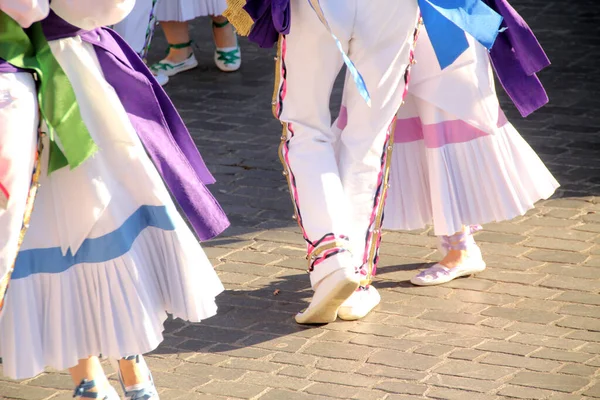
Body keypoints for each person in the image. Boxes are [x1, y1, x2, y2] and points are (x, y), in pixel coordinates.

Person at [0, 1, 229, 398]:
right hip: (36, 91)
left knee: (95, 217)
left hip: (68, 86)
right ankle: (97, 373)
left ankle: (117, 362)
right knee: (56, 229)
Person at [329, 0, 558, 319]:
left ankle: (458, 246)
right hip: (391, 22)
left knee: (441, 124)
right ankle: (456, 244)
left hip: (439, 23)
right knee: (411, 126)